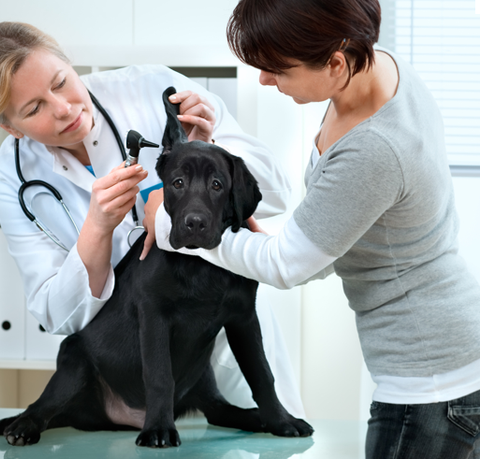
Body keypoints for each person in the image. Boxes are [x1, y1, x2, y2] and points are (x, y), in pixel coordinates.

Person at [145, 0, 480, 457]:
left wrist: (171, 226)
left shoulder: (374, 149)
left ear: (336, 63)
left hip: (430, 384)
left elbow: (288, 266)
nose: (264, 79)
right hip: (448, 356)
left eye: (278, 69)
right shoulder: (381, 69)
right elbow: (337, 232)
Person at [0, 21, 306, 419]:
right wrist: (97, 229)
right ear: (9, 127)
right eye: (34, 108)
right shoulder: (11, 174)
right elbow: (56, 314)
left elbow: (277, 193)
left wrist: (206, 151)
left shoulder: (151, 89)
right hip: (127, 370)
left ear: (70, 65)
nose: (64, 108)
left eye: (60, 82)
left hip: (226, 339)